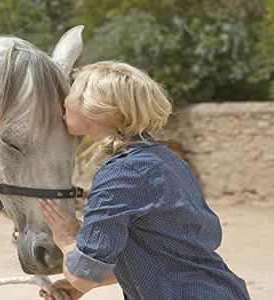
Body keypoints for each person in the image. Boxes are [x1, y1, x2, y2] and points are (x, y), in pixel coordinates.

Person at [38, 61, 250, 300]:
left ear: (95, 109)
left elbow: (83, 275)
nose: (64, 103)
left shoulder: (120, 174)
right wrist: (87, 282)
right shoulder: (166, 159)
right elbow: (161, 255)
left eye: (72, 94)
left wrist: (67, 241)